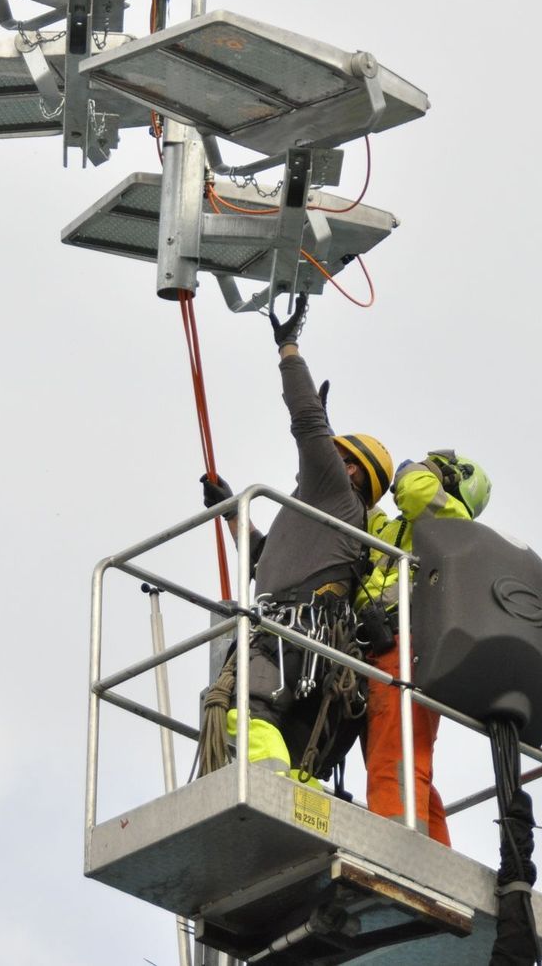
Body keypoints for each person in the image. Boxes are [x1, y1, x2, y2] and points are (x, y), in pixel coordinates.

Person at [200, 297, 394, 783]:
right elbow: (266, 562)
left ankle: (267, 792)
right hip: (297, 643)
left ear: (350, 469)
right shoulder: (319, 515)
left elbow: (307, 420)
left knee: (244, 714)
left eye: (333, 455)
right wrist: (231, 514)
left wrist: (288, 348)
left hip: (292, 638)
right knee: (281, 742)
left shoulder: (336, 491)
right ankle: (286, 797)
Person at [354, 449, 494, 843]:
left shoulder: (452, 520)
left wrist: (414, 470)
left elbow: (416, 491)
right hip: (380, 646)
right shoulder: (402, 531)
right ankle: (433, 848)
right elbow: (365, 518)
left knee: (394, 754)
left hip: (407, 646)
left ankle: (397, 845)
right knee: (403, 755)